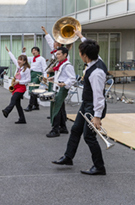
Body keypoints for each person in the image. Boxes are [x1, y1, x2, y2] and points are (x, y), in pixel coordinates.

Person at [52, 39, 108, 176]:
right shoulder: (95, 59)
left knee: (89, 137)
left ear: (85, 55)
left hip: (93, 106)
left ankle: (99, 166)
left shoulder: (97, 73)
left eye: (80, 52)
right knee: (76, 129)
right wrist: (79, 36)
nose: (79, 54)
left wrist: (97, 116)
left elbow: (99, 96)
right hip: (86, 104)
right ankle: (68, 157)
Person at [45, 47, 76, 137]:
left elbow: (72, 78)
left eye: (59, 54)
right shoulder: (61, 64)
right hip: (57, 87)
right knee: (60, 107)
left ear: (65, 54)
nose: (57, 56)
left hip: (62, 88)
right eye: (57, 54)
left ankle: (55, 130)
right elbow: (62, 76)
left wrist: (65, 83)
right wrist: (53, 78)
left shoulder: (68, 65)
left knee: (56, 107)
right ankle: (63, 127)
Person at [2, 46, 31, 123]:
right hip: (16, 86)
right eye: (19, 59)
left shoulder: (27, 69)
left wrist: (19, 82)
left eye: (21, 60)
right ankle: (22, 119)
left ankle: (7, 111)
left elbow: (29, 80)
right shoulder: (18, 67)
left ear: (24, 61)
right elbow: (13, 58)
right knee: (17, 104)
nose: (18, 61)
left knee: (13, 99)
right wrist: (8, 51)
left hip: (21, 87)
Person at [21, 47, 47, 112]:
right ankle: (36, 105)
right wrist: (24, 51)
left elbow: (44, 68)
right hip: (31, 74)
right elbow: (24, 58)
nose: (33, 52)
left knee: (32, 89)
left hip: (38, 75)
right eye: (32, 51)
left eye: (35, 50)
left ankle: (30, 106)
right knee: (33, 90)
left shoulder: (41, 59)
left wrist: (45, 76)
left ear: (38, 51)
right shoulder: (32, 58)